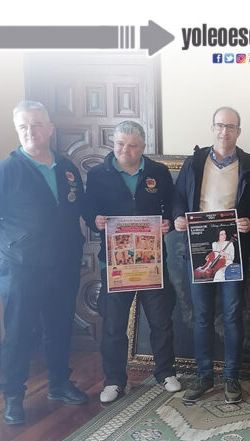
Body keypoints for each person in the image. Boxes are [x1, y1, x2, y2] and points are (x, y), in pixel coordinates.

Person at [0, 100, 87, 425]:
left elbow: (73, 209)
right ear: (17, 130)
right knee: (19, 332)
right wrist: (13, 245)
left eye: (36, 124)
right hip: (21, 268)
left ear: (50, 128)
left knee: (59, 326)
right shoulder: (2, 173)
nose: (30, 131)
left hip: (63, 264)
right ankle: (13, 396)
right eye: (23, 126)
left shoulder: (66, 169)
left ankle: (59, 384)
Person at [82, 120, 180, 404]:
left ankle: (165, 373)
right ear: (113, 144)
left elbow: (173, 202)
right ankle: (114, 380)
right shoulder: (99, 173)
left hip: (152, 261)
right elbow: (89, 207)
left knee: (161, 321)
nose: (125, 149)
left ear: (143, 147)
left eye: (132, 145)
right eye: (120, 144)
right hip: (114, 263)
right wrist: (95, 220)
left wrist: (169, 222)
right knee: (114, 325)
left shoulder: (157, 172)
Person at [173, 106, 250, 403]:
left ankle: (231, 377)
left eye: (231, 126)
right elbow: (177, 199)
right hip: (199, 248)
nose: (224, 132)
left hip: (232, 251)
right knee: (201, 315)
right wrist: (178, 218)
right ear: (212, 128)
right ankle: (203, 375)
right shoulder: (195, 161)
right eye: (219, 126)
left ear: (239, 131)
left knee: (232, 315)